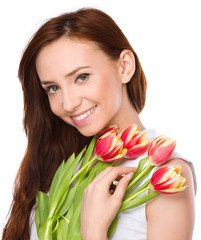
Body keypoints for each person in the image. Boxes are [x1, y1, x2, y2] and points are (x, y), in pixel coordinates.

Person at [2, 8, 196, 240]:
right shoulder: (62, 165)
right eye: (53, 88)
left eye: (81, 77)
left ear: (124, 66)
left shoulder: (165, 174)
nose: (68, 103)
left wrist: (93, 230)